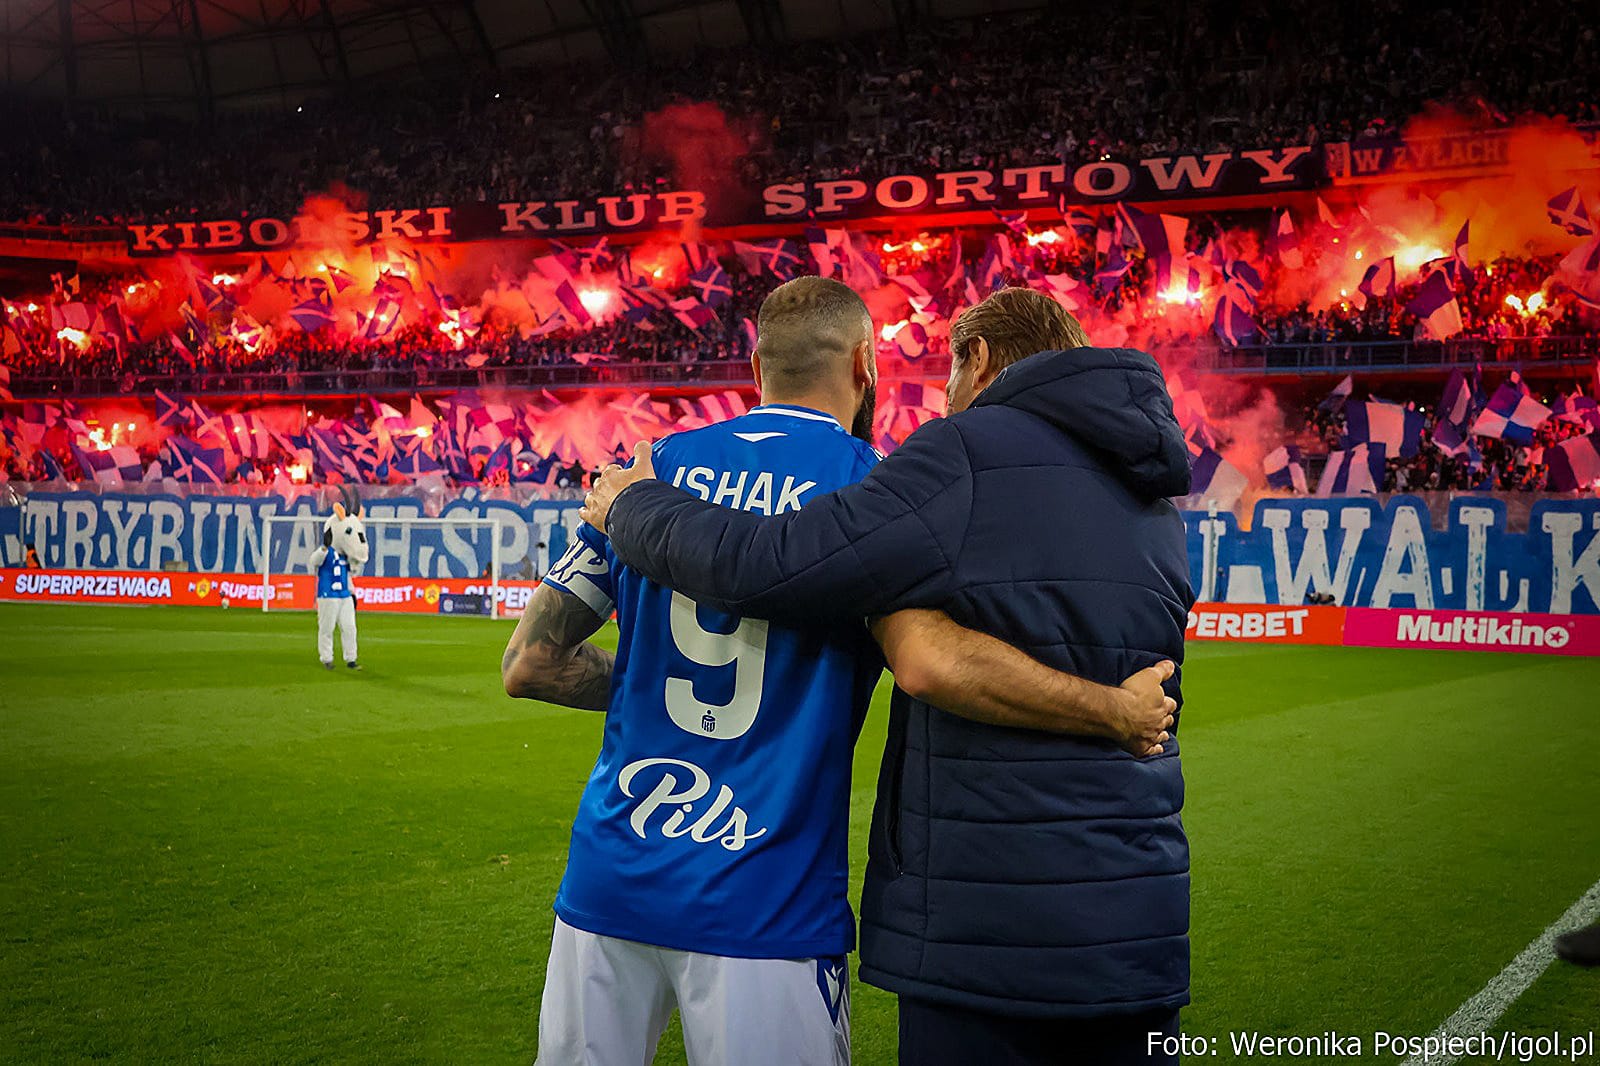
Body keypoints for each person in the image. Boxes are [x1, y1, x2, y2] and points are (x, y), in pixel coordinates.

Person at [502, 278, 1179, 1066]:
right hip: (765, 901)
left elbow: (528, 664)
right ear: (865, 361)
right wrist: (1112, 710)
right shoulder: (877, 484)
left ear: (757, 363)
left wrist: (652, 675)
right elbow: (927, 656)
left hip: (607, 882)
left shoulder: (645, 473)